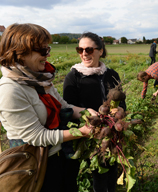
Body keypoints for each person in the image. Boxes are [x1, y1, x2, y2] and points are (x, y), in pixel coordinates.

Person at [0, 23, 95, 192]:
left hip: (60, 155)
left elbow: (63, 106)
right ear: (20, 54)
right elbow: (36, 136)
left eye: (48, 49)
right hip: (36, 165)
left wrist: (88, 113)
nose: (48, 55)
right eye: (42, 51)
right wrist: (81, 132)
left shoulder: (41, 78)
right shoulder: (10, 90)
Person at [63, 32, 126, 192]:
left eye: (89, 49)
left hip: (112, 133)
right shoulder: (73, 77)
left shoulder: (112, 75)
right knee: (98, 174)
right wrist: (88, 121)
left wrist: (119, 112)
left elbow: (122, 104)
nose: (84, 53)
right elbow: (68, 108)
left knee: (112, 169)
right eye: (80, 49)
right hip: (89, 135)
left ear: (100, 51)